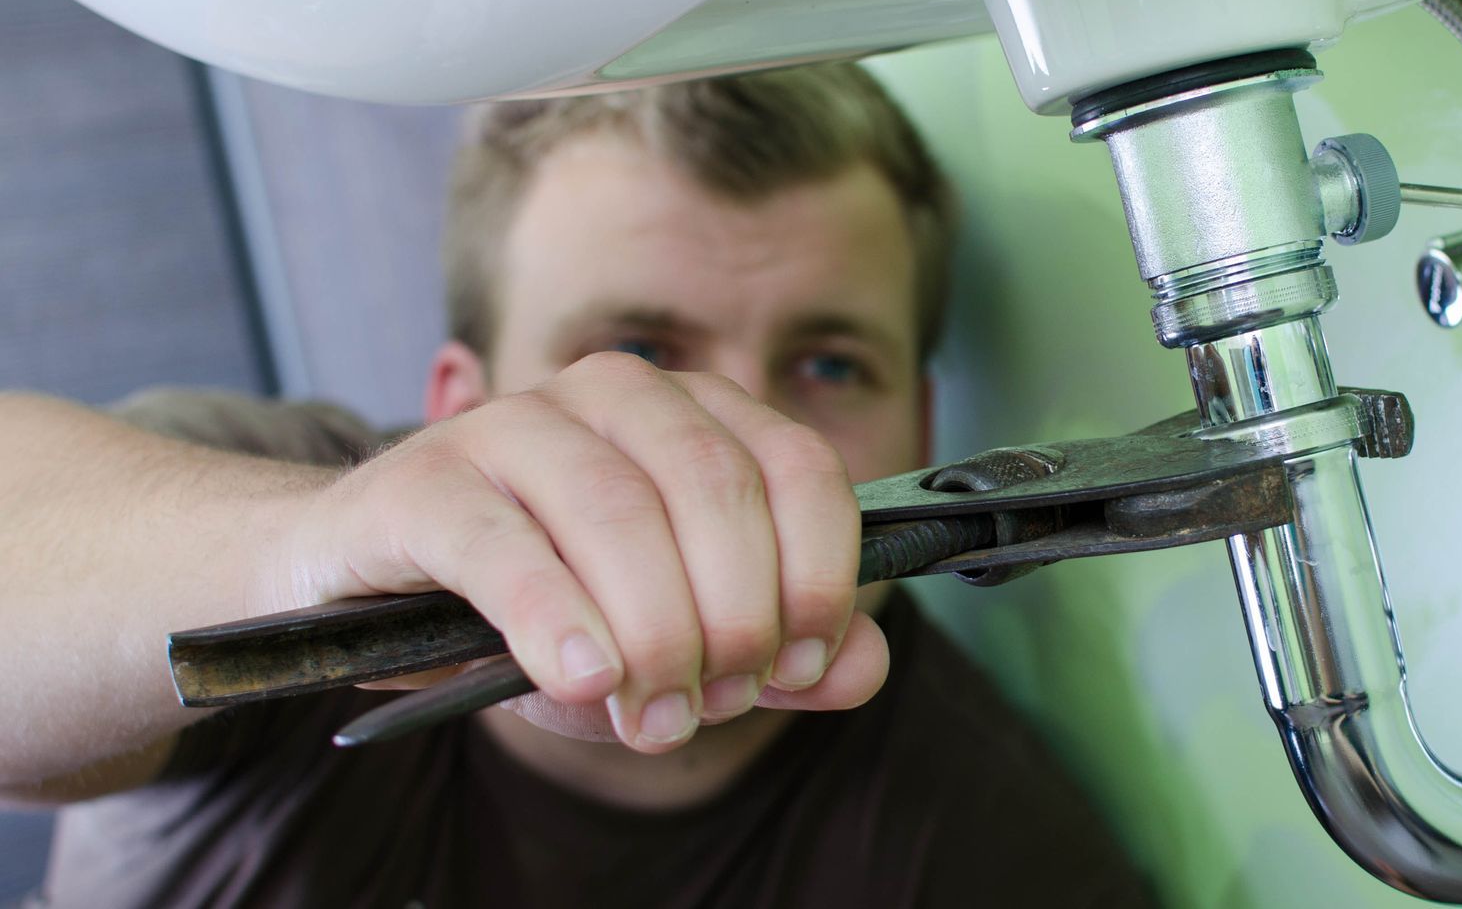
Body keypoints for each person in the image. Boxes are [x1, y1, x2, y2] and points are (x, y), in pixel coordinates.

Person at [0, 64, 1156, 906]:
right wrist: (298, 552)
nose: (733, 440)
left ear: (921, 422)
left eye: (829, 365)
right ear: (458, 402)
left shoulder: (993, 851)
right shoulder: (269, 509)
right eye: (638, 355)